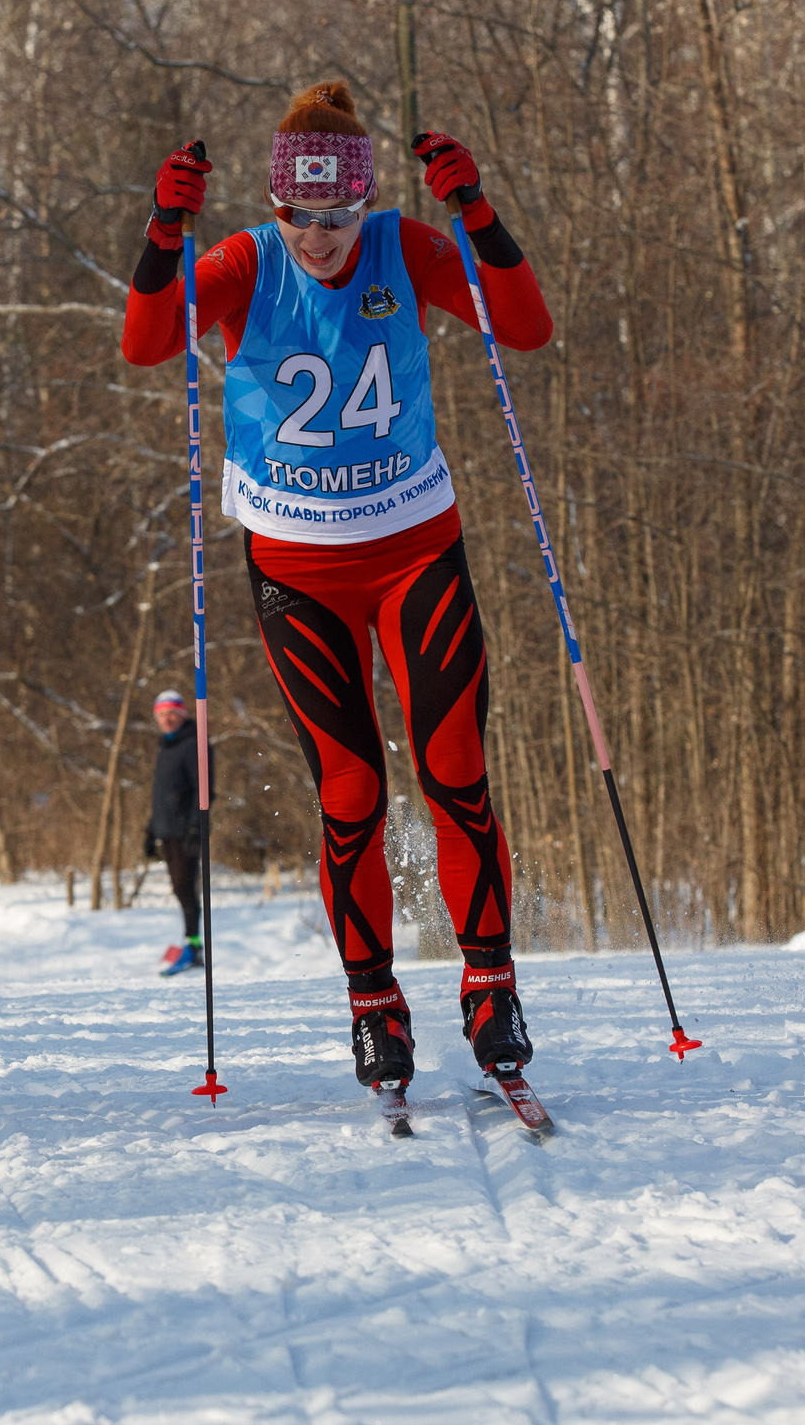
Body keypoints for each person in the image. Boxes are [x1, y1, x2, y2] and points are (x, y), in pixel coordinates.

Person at [120, 81, 554, 1110]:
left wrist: (478, 214)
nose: (318, 239)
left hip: (415, 547)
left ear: (366, 204)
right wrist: (164, 228)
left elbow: (524, 327)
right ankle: (373, 1004)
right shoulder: (241, 262)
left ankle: (490, 987)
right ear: (275, 209)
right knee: (351, 794)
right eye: (298, 216)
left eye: (337, 216)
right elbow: (144, 343)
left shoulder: (404, 248)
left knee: (454, 771)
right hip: (297, 567)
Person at [143, 688, 209, 976]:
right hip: (167, 830)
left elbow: (203, 791)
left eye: (172, 713)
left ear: (182, 715)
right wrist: (150, 830)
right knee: (180, 889)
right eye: (162, 714)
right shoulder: (165, 748)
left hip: (186, 831)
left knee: (185, 888)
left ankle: (194, 948)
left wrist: (197, 826)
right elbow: (161, 795)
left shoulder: (195, 744)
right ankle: (190, 943)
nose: (167, 719)